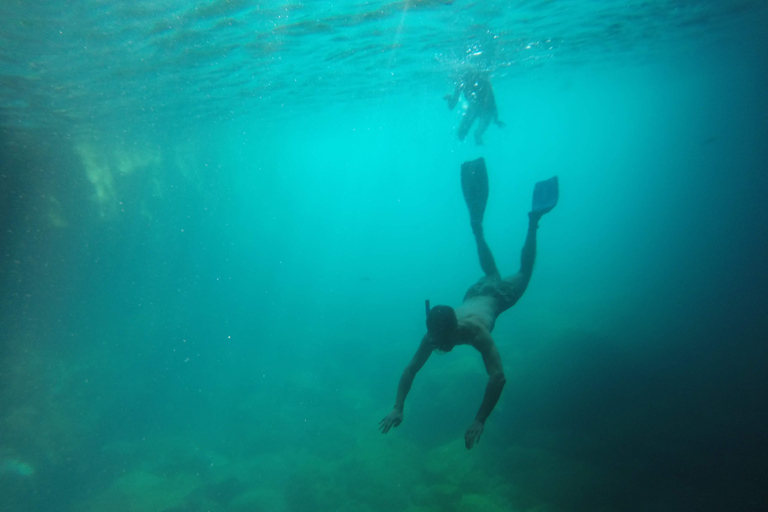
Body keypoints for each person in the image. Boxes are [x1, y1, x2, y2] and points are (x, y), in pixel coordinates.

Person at [379, 158, 558, 449]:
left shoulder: (475, 332)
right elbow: (410, 369)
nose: (437, 347)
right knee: (491, 272)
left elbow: (498, 377)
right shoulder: (434, 334)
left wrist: (480, 419)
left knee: (523, 272)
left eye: (440, 342)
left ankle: (533, 221)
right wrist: (398, 406)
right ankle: (478, 228)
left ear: (452, 331)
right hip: (475, 293)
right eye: (435, 341)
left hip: (495, 296)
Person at [443, 71, 505, 145]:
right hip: (475, 109)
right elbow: (452, 106)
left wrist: (496, 118)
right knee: (461, 135)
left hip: (486, 109)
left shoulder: (484, 82)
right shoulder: (461, 84)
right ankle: (477, 137)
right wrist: (450, 99)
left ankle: (478, 138)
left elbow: (492, 101)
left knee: (477, 133)